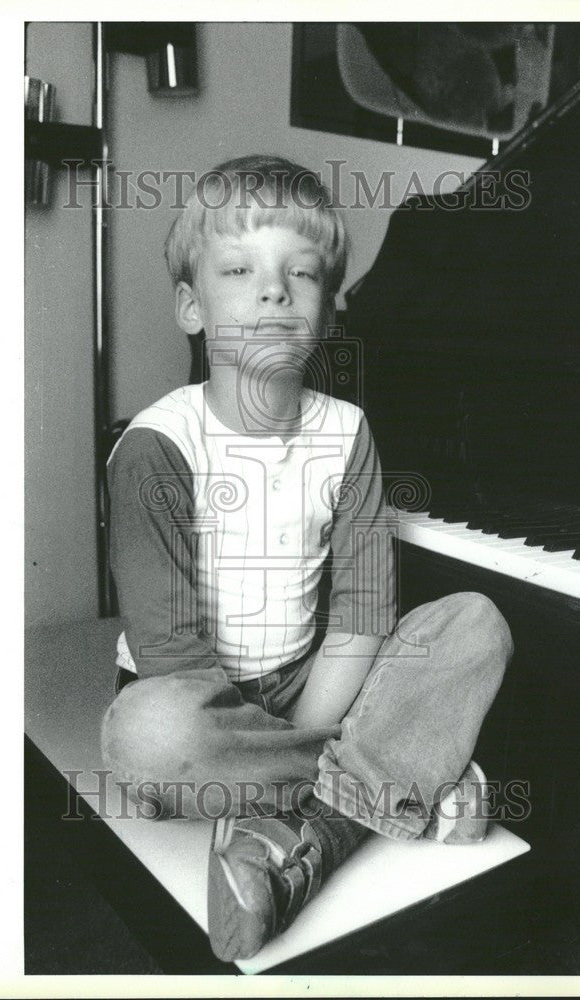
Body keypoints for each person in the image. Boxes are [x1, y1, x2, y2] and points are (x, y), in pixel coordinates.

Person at [100, 154, 514, 962]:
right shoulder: (154, 446)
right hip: (191, 697)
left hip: (308, 680)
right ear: (190, 306)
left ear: (324, 311)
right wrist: (342, 744)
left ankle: (301, 839)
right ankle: (386, 788)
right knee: (146, 736)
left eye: (302, 273)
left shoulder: (346, 432)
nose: (272, 290)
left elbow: (362, 614)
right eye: (238, 269)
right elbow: (169, 654)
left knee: (474, 623)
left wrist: (308, 722)